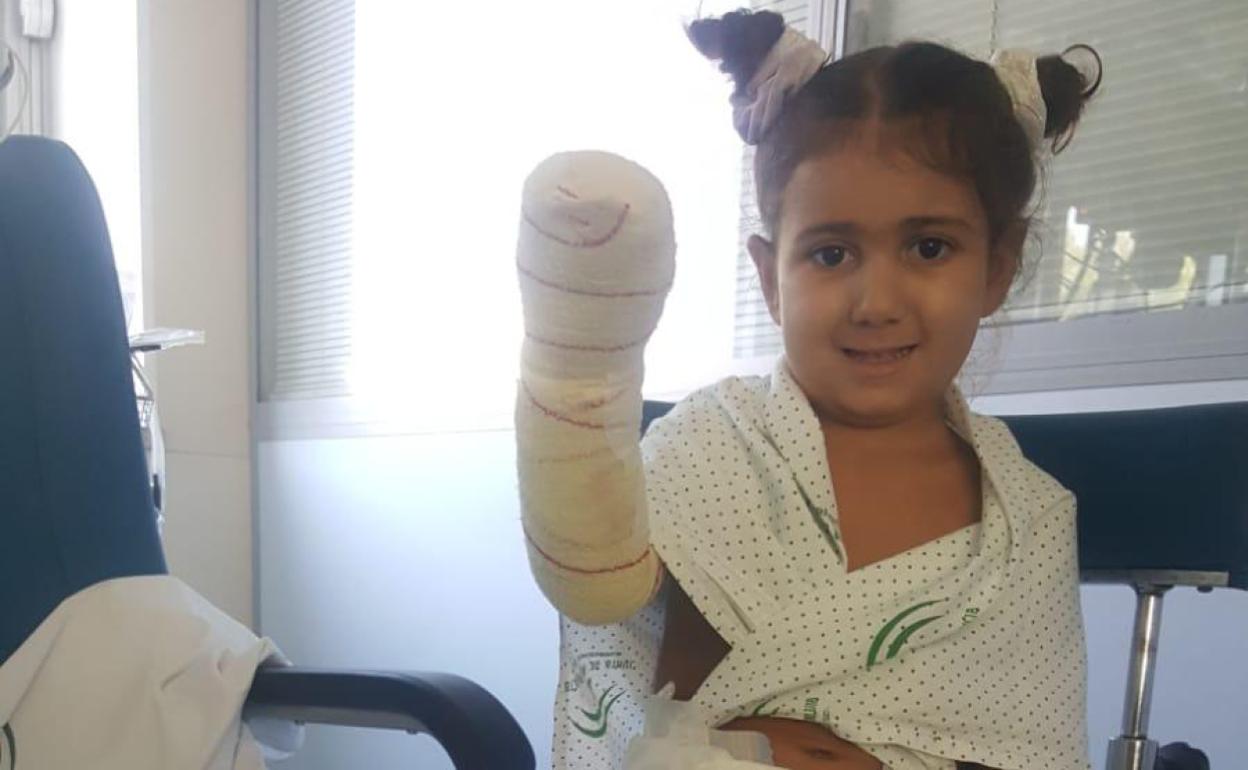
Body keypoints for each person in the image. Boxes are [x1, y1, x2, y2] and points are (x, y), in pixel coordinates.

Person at [514, 9, 1102, 769]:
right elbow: (606, 604)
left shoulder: (1028, 525)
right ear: (769, 277)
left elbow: (1031, 752)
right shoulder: (713, 447)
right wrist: (576, 388)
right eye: (830, 254)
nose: (876, 300)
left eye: (929, 247)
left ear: (998, 265)